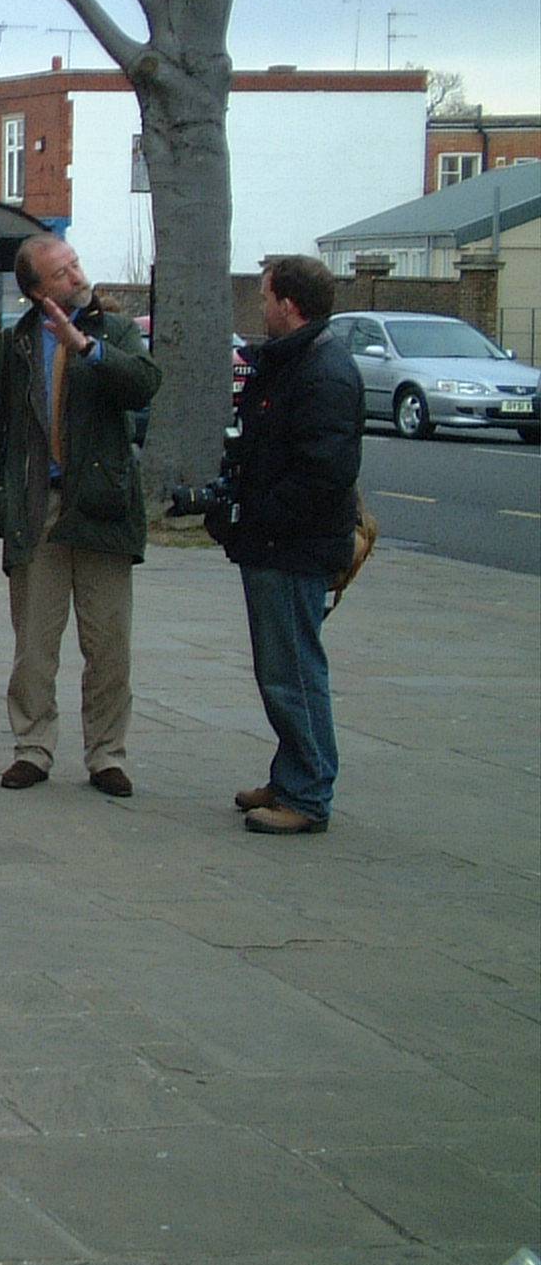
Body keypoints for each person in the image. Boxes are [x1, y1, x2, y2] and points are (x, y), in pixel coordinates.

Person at [0, 235, 160, 798]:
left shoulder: (114, 333)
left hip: (101, 507)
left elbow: (144, 386)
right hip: (37, 506)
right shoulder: (11, 348)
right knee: (35, 646)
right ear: (35, 290)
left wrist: (87, 349)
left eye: (75, 264)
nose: (76, 275)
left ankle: (107, 754)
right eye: (61, 272)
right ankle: (33, 747)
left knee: (109, 644)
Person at [215, 256, 363, 835]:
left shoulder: (322, 372)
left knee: (293, 671)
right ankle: (291, 775)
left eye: (266, 296)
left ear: (290, 305)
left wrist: (257, 514)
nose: (261, 306)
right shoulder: (295, 362)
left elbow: (322, 473)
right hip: (276, 539)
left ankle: (307, 794)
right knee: (280, 667)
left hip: (292, 544)